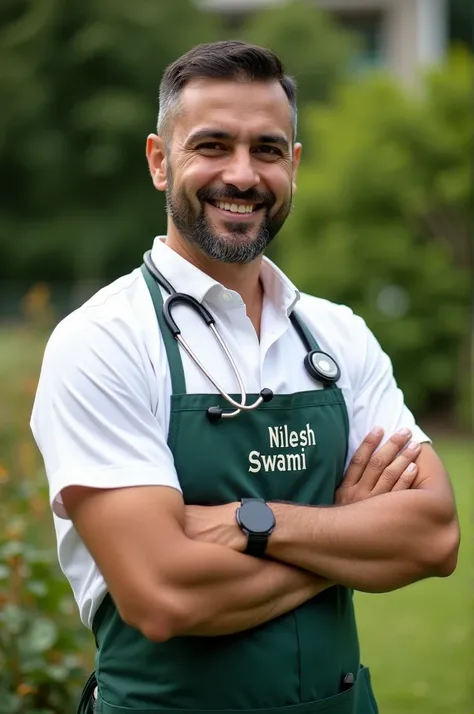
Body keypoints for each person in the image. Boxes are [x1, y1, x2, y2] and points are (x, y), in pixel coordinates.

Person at [30, 40, 460, 714]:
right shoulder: (102, 341)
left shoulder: (337, 334)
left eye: (266, 150)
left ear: (292, 166)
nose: (242, 174)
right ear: (158, 162)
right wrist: (343, 528)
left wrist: (248, 522)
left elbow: (432, 535)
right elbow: (164, 594)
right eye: (211, 146)